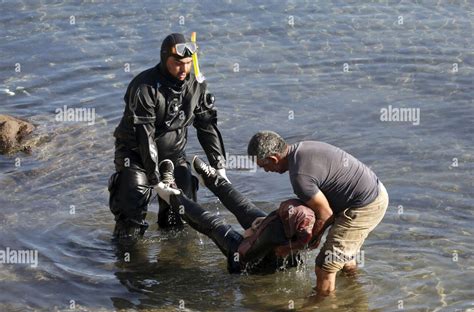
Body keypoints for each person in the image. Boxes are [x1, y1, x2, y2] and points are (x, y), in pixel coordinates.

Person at [108, 33, 229, 244]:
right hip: (135, 155)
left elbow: (206, 125)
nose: (183, 70)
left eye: (188, 63)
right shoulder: (144, 87)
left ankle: (175, 265)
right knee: (131, 213)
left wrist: (219, 166)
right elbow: (145, 137)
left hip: (174, 155)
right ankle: (127, 264)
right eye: (177, 64)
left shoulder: (196, 85)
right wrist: (155, 180)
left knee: (182, 217)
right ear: (165, 60)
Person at [247, 131, 389, 295]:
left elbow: (326, 214)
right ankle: (353, 291)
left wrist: (301, 244)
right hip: (372, 191)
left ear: (273, 159)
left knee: (325, 265)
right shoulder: (303, 149)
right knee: (343, 255)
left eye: (264, 166)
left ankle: (319, 311)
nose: (265, 171)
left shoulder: (300, 177)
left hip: (364, 206)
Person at [154, 157, 319, 274]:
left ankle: (171, 194)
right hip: (268, 248)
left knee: (214, 224)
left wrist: (249, 235)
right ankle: (213, 180)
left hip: (243, 259)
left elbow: (247, 247)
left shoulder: (272, 233)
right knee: (247, 209)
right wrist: (261, 223)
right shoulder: (308, 229)